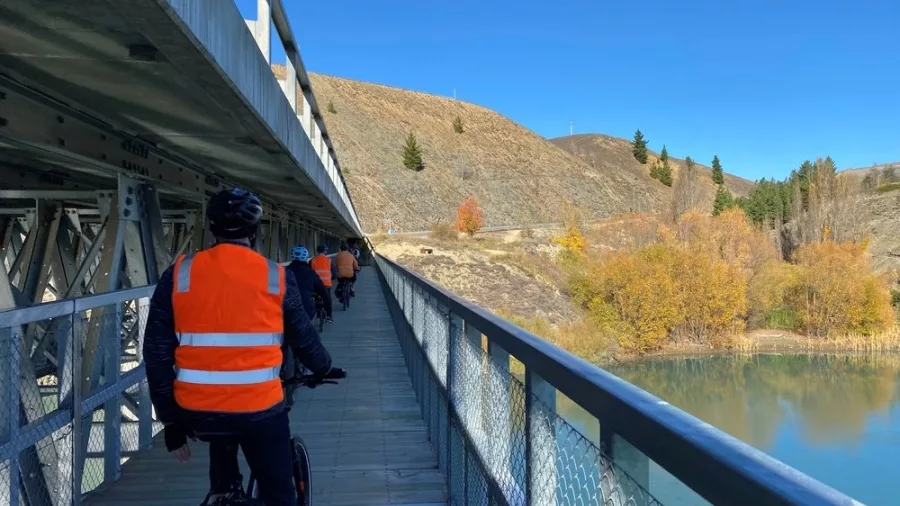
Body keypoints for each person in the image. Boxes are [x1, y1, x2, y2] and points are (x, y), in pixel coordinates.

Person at [143, 188, 334, 506]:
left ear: (212, 229)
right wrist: (324, 367)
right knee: (279, 495)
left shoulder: (179, 274)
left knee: (222, 437)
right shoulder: (276, 276)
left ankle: (223, 491)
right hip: (259, 408)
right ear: (255, 232)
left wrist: (171, 421)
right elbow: (303, 337)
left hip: (196, 410)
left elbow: (157, 353)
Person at [286, 245, 332, 323]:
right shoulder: (310, 272)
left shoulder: (284, 271)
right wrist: (328, 308)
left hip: (286, 309)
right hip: (306, 308)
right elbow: (322, 290)